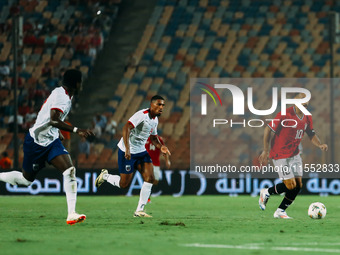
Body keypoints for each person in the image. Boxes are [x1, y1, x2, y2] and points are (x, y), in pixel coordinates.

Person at [0, 69, 94, 225]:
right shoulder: (62, 97)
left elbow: (50, 119)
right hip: (36, 142)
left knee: (69, 170)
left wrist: (57, 132)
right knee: (26, 180)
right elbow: (53, 120)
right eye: (81, 82)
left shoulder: (62, 93)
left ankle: (71, 213)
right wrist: (77, 130)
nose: (82, 85)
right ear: (76, 83)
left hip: (51, 141)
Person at [95, 95, 171, 217]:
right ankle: (106, 176)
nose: (161, 107)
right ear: (151, 104)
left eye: (163, 105)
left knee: (150, 178)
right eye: (158, 104)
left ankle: (139, 210)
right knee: (124, 185)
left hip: (141, 151)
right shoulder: (141, 115)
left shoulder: (154, 120)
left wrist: (161, 146)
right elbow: (126, 128)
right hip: (127, 151)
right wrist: (128, 149)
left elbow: (153, 138)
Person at [258, 93, 328, 219]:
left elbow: (311, 134)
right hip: (280, 154)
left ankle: (280, 211)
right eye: (301, 101)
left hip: (294, 154)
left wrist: (320, 144)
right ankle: (266, 192)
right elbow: (267, 129)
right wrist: (265, 150)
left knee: (298, 185)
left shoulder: (307, 117)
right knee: (290, 185)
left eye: (306, 101)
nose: (304, 104)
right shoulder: (285, 114)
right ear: (295, 102)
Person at [145, 135, 171, 203]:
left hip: (156, 163)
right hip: (147, 162)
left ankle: (147, 191)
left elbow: (164, 150)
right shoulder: (145, 138)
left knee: (155, 181)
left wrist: (167, 160)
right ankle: (147, 197)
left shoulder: (159, 139)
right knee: (148, 179)